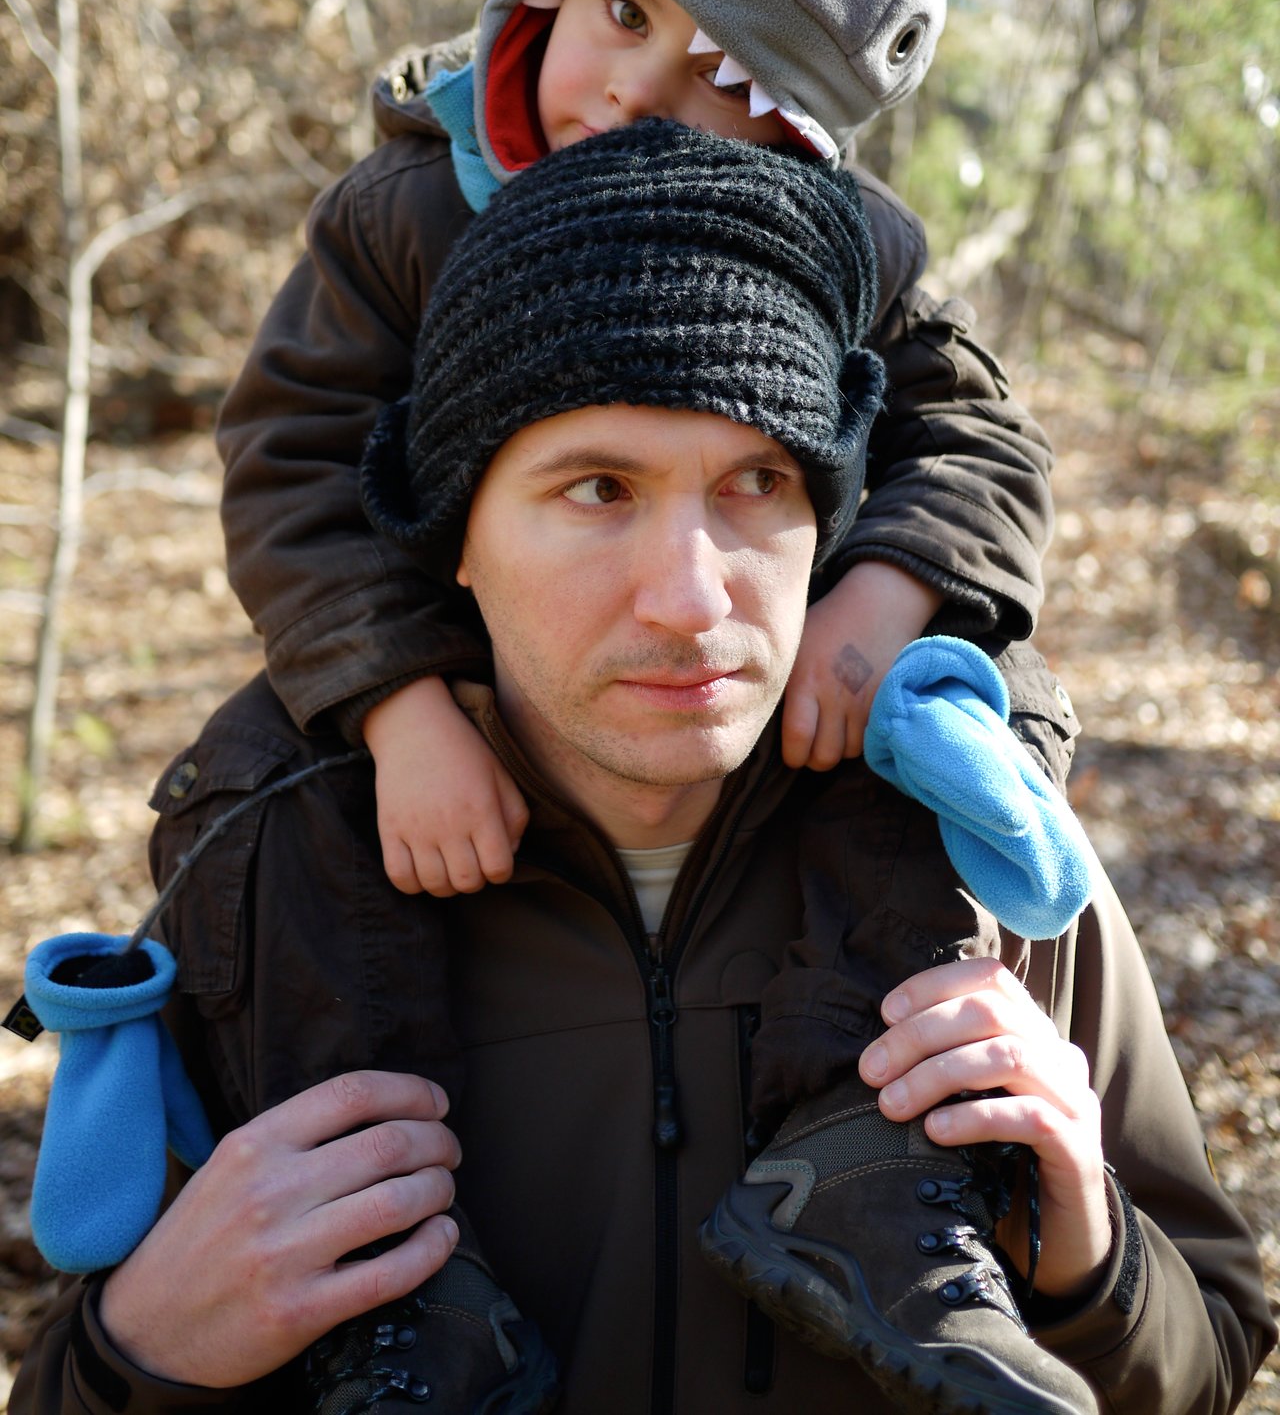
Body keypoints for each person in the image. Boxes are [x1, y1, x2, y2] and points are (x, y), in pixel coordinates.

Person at [12, 124, 1274, 1415]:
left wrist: (1088, 1248)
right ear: (457, 536)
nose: (690, 595)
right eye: (598, 489)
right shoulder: (278, 887)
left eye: (757, 481)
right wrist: (138, 1346)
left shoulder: (976, 842)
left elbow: (1213, 1348)